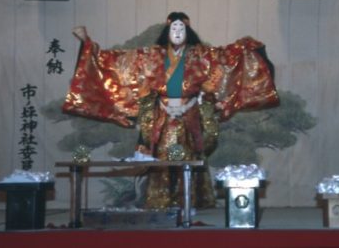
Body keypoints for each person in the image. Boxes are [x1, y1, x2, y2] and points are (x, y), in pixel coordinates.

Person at [63, 12, 279, 209]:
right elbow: (115, 63)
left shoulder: (203, 55)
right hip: (163, 111)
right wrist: (87, 43)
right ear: (167, 32)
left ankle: (193, 199)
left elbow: (227, 59)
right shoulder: (150, 56)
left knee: (190, 154)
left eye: (181, 29)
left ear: (188, 32)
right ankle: (160, 199)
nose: (177, 33)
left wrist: (247, 47)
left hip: (191, 110)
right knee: (162, 156)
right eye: (173, 29)